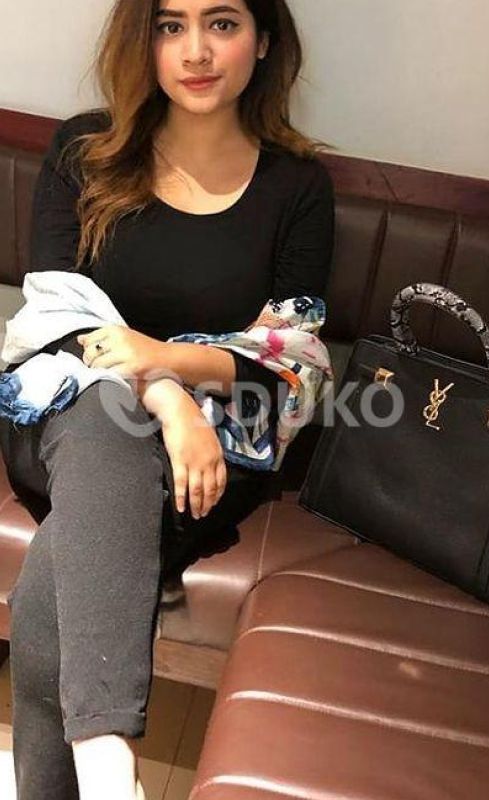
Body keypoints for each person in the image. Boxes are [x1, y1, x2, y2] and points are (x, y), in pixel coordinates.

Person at [0, 0, 335, 798]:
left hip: (210, 455)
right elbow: (55, 320)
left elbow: (292, 361)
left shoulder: (296, 185)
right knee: (102, 422)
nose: (195, 51)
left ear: (264, 40)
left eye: (222, 23)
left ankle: (100, 772)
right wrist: (167, 397)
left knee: (58, 577)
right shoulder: (84, 151)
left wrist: (167, 364)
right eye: (170, 25)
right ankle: (110, 768)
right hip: (69, 417)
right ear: (141, 39)